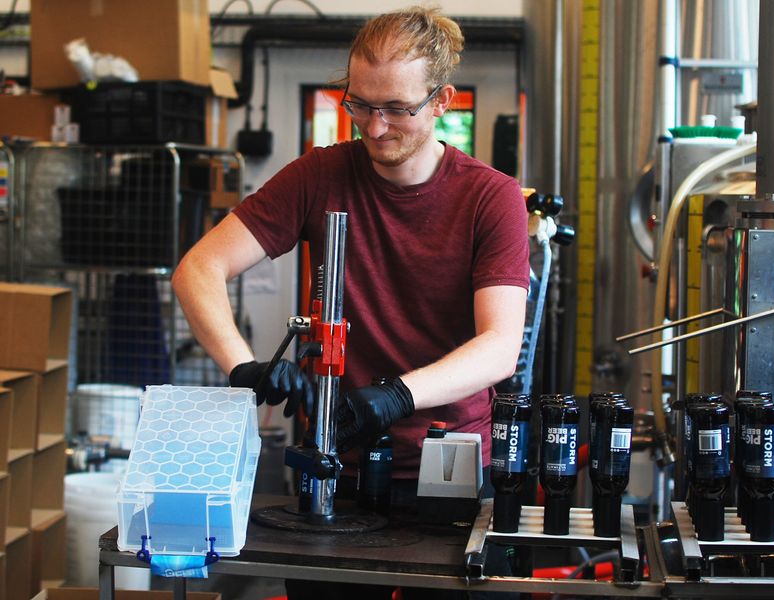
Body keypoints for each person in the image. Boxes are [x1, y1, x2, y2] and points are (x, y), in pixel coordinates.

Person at [173, 6, 530, 599]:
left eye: (396, 108)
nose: (375, 126)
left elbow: (499, 347)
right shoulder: (319, 174)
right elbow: (199, 269)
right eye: (360, 104)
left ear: (441, 101)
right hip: (333, 464)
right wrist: (243, 366)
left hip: (445, 470)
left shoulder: (490, 198)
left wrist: (395, 396)